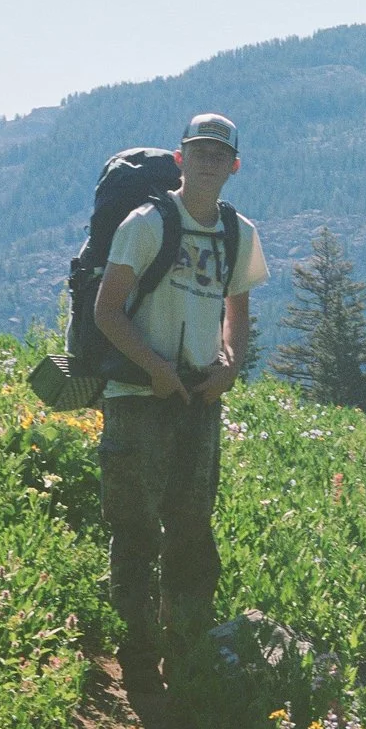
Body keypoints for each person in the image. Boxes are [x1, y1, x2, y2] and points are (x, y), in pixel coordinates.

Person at [92, 113, 269, 680]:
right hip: (138, 394)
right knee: (136, 527)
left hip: (197, 397)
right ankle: (139, 656)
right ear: (179, 159)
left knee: (192, 525)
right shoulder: (144, 224)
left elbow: (237, 311)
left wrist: (229, 366)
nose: (208, 162)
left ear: (234, 166)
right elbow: (106, 310)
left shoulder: (239, 233)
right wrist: (155, 369)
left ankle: (186, 648)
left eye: (219, 155)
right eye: (199, 152)